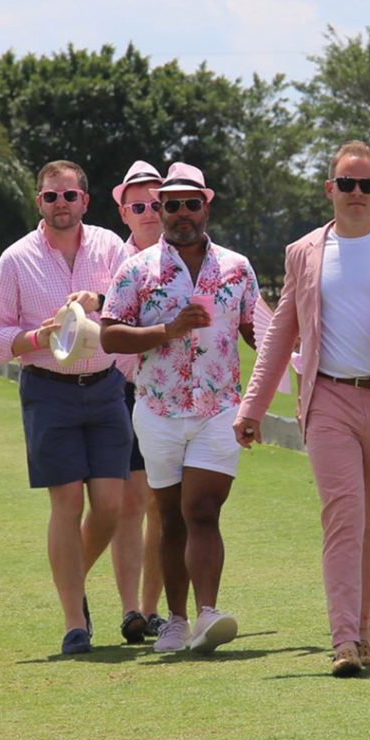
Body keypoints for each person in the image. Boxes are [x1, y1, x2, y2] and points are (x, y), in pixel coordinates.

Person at [234, 141, 370, 677]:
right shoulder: (304, 251)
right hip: (327, 396)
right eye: (346, 184)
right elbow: (280, 336)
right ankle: (344, 640)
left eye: (367, 185)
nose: (357, 194)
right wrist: (252, 408)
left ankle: (365, 625)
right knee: (344, 515)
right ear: (329, 188)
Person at [100, 162, 258, 656]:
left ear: (206, 206)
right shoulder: (137, 269)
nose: (182, 213)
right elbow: (109, 333)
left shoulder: (236, 267)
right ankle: (173, 620)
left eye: (192, 204)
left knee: (203, 509)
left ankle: (208, 613)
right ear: (161, 211)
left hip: (218, 407)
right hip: (159, 408)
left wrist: (289, 378)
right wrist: (166, 330)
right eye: (172, 205)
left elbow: (261, 332)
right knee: (170, 517)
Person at [0, 160, 131, 655]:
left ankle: (73, 580)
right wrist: (35, 337)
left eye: (69, 196)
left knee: (111, 506)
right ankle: (75, 622)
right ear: (39, 202)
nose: (61, 204)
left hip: (107, 386)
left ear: (85, 201)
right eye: (51, 197)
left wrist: (100, 296)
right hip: (48, 390)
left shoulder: (111, 247)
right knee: (66, 503)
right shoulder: (16, 258)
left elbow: (136, 306)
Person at [109, 161, 167, 643]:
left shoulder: (191, 256)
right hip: (125, 393)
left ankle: (151, 610)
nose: (150, 213)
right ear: (124, 212)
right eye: (139, 206)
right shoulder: (113, 258)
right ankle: (131, 609)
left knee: (166, 506)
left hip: (177, 395)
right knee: (132, 503)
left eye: (156, 203)